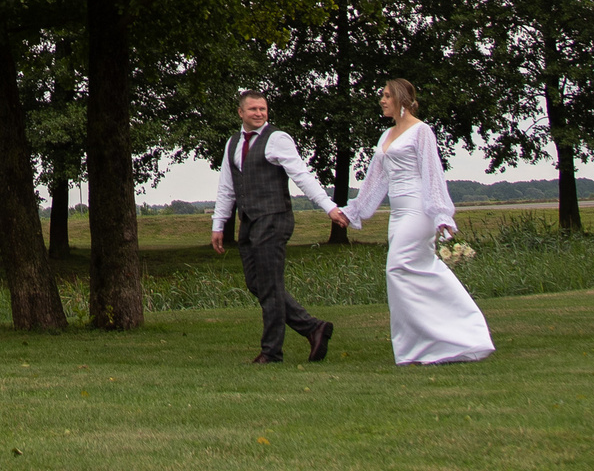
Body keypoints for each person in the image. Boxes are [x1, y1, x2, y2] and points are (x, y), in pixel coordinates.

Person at [340, 77, 495, 366]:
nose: (382, 100)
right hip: (397, 215)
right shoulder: (386, 136)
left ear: (401, 99)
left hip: (418, 211)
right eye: (382, 95)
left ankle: (465, 330)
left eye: (387, 95)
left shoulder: (421, 131)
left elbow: (432, 173)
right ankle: (421, 346)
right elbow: (376, 179)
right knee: (411, 272)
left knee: (397, 269)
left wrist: (441, 214)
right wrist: (354, 211)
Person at [211, 90, 351, 364]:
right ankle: (312, 327)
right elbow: (227, 187)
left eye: (262, 109)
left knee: (270, 284)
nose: (259, 113)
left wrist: (329, 207)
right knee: (256, 283)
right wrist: (219, 224)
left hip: (274, 219)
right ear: (240, 112)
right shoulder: (233, 143)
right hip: (249, 221)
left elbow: (302, 175)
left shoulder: (277, 139)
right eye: (253, 109)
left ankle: (271, 352)